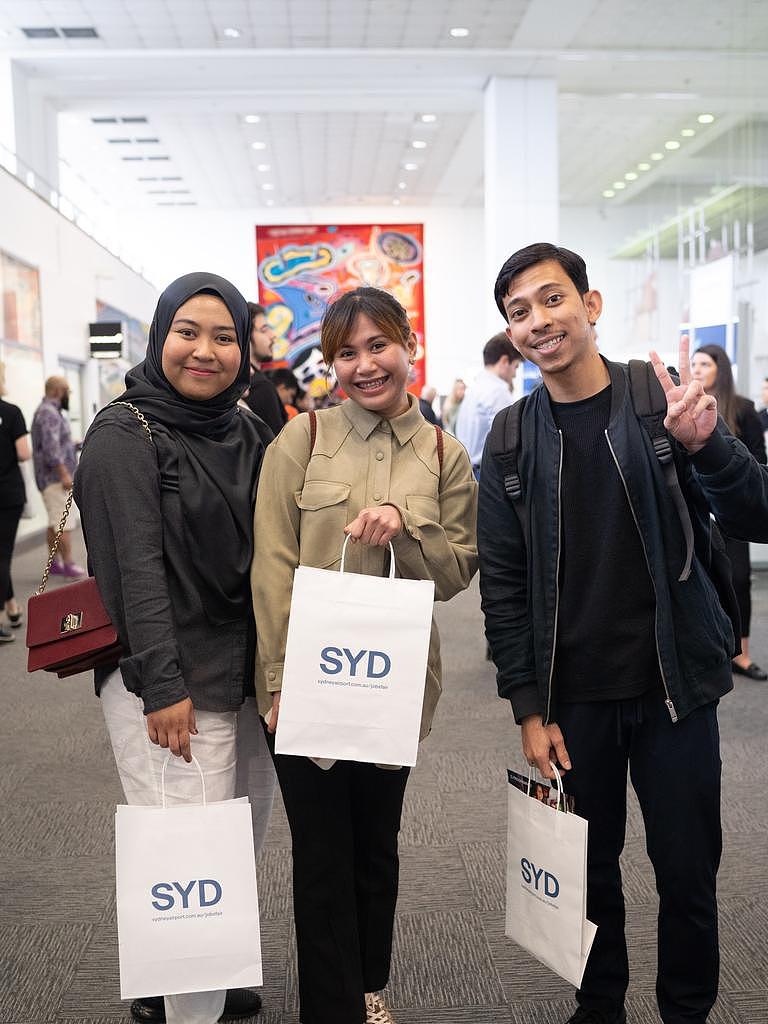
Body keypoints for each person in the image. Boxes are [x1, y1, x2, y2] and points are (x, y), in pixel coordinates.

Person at [478, 242, 768, 1024]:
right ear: (510, 333)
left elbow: (756, 514)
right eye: (519, 312)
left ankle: (686, 1010)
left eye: (552, 299)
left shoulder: (657, 402)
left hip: (676, 685)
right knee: (588, 871)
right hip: (574, 698)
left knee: (686, 872)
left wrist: (709, 447)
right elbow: (503, 588)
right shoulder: (509, 440)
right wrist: (526, 709)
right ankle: (599, 1005)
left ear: (591, 303)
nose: (539, 321)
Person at [252, 286, 477, 1024]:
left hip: (395, 684)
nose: (364, 365)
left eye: (378, 345)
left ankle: (368, 985)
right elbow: (272, 564)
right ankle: (332, 1007)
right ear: (330, 364)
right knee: (320, 856)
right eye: (345, 353)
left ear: (407, 345)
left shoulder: (444, 454)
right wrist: (281, 682)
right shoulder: (301, 440)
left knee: (377, 846)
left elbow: (455, 574)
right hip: (307, 685)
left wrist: (407, 526)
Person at [74, 273, 276, 1024]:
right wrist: (160, 685)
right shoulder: (125, 432)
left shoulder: (247, 429)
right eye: (188, 331)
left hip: (243, 676)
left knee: (228, 841)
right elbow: (132, 570)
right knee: (185, 856)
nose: (206, 350)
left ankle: (198, 981)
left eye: (225, 336)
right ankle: (185, 999)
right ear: (160, 337)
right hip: (170, 680)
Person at [691, 343, 768, 680]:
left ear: (719, 369)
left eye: (704, 364)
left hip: (732, 510)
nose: (696, 369)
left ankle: (743, 652)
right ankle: (712, 648)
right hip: (697, 510)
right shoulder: (683, 406)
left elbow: (758, 463)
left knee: (738, 579)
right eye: (693, 364)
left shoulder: (743, 409)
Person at [30, 375, 85, 577]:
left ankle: (54, 562)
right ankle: (68, 563)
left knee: (54, 521)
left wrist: (76, 444)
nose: (68, 396)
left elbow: (55, 443)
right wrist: (64, 475)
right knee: (64, 522)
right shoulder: (49, 413)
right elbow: (52, 450)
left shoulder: (48, 412)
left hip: (50, 478)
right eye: (67, 391)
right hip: (55, 479)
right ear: (57, 391)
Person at [455, 333, 521, 476]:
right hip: (486, 472)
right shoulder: (498, 391)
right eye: (516, 366)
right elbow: (510, 442)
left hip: (468, 470)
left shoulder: (476, 389)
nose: (515, 374)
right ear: (504, 361)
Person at [0, 361, 32, 642]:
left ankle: (11, 606)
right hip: (7, 494)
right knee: (3, 553)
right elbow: (24, 453)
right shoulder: (11, 413)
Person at [242, 301, 287, 435]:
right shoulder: (260, 386)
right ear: (245, 336)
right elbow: (276, 445)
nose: (273, 336)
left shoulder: (240, 383)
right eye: (264, 329)